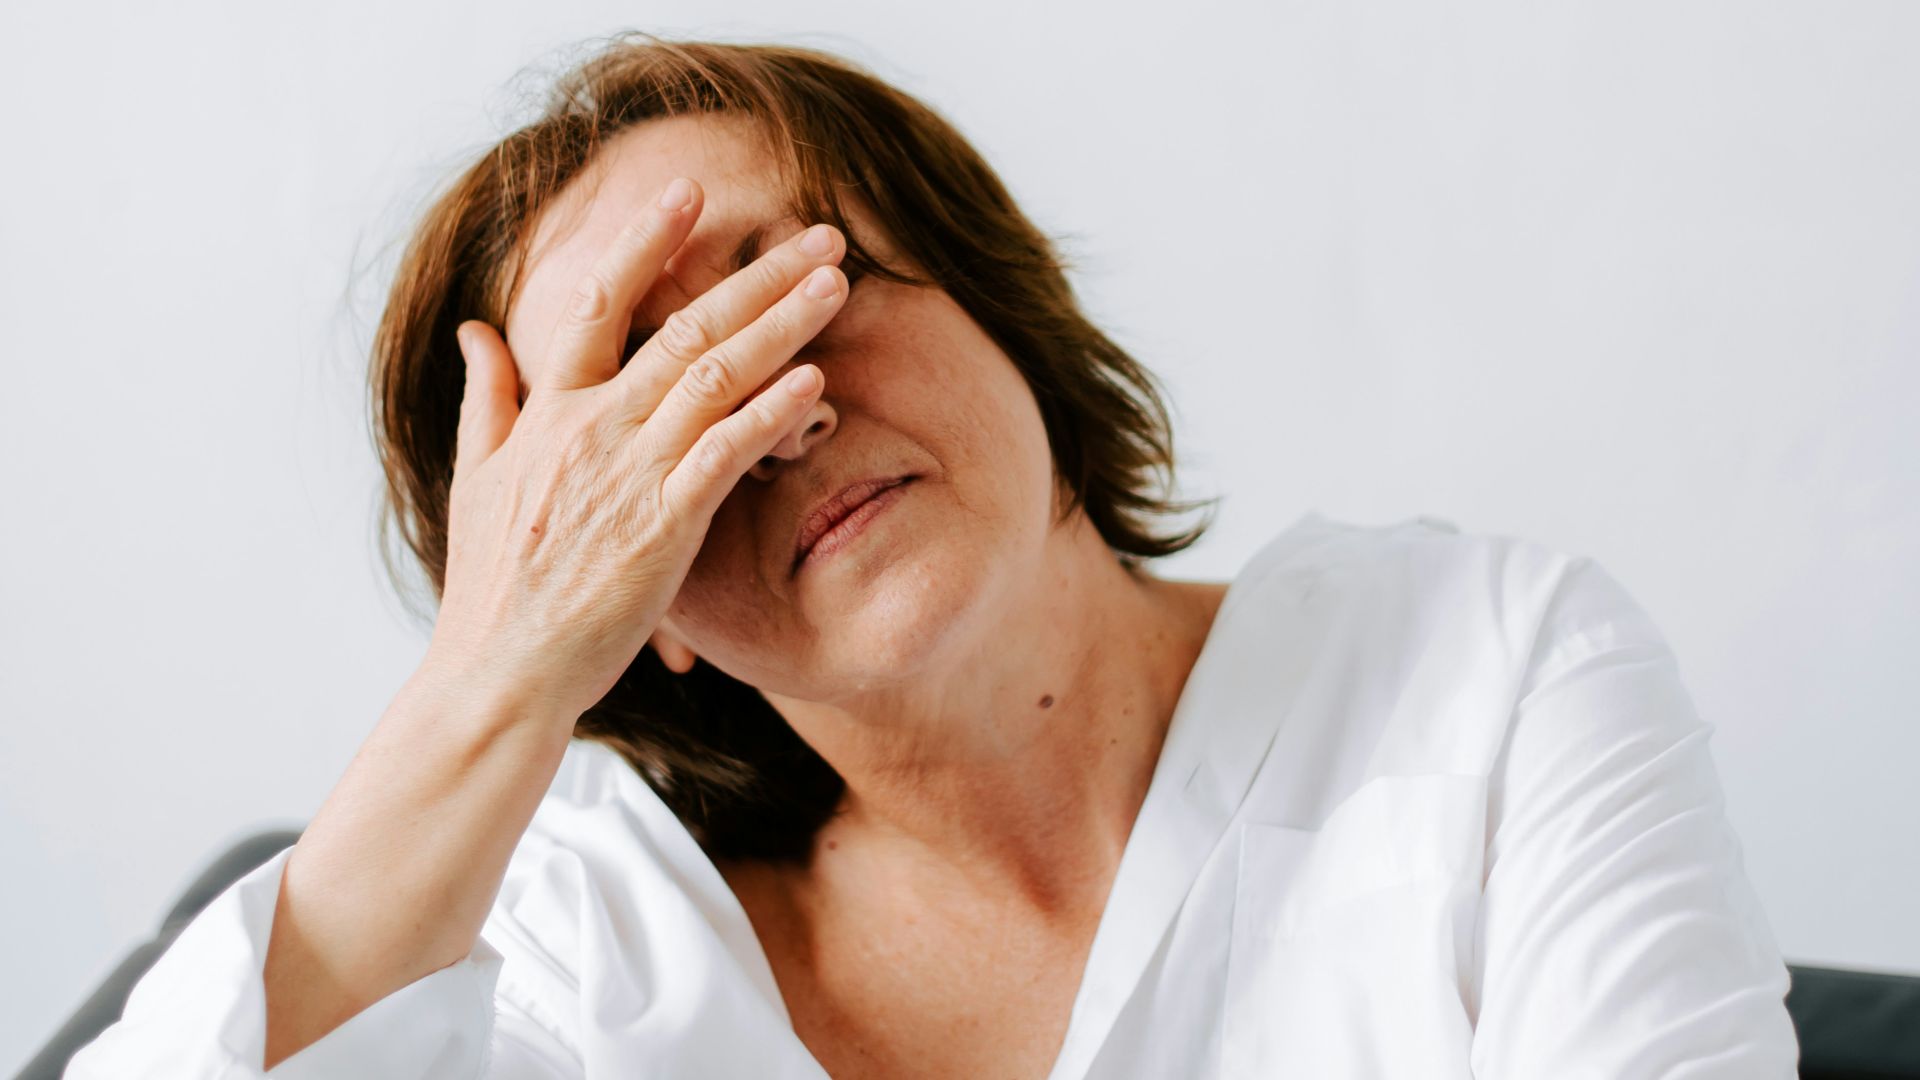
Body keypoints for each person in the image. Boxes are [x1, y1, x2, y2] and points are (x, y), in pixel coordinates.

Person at [65, 33, 1799, 1078]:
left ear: (998, 300)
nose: (779, 421)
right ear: (616, 600)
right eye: (652, 422)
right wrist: (493, 673)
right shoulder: (570, 942)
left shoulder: (1491, 677)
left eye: (793, 300)